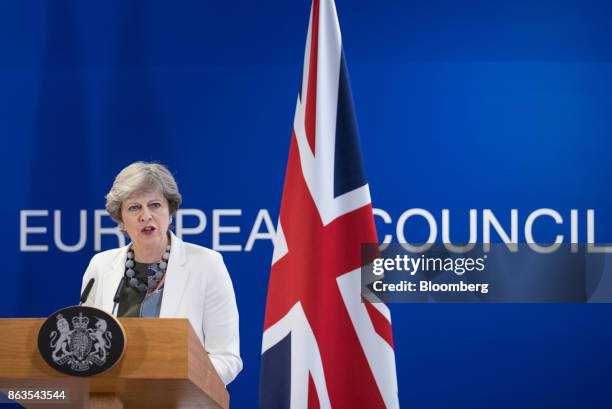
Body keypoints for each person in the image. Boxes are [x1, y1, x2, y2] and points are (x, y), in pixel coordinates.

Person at [80, 161, 242, 385]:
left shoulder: (206, 265)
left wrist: (177, 383)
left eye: (155, 205)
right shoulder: (101, 265)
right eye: (134, 208)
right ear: (121, 220)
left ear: (170, 211)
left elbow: (226, 357)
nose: (146, 216)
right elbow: (85, 347)